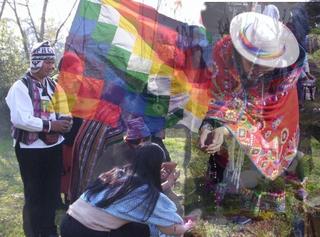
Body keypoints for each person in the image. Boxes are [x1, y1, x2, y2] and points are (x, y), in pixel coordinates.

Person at [199, 11, 305, 187]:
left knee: (271, 147)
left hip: (276, 110)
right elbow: (221, 94)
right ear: (241, 52)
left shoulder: (288, 71)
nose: (255, 72)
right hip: (240, 111)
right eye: (253, 64)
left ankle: (267, 183)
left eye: (266, 68)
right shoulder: (224, 51)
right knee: (224, 146)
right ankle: (227, 182)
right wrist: (208, 125)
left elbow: (257, 109)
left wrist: (226, 130)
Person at [5, 41, 72, 237]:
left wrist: (66, 120)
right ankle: (35, 232)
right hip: (30, 150)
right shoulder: (20, 87)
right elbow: (21, 119)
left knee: (51, 192)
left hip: (53, 147)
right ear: (36, 62)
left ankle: (49, 231)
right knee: (35, 194)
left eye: (52, 62)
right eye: (48, 62)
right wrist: (51, 126)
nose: (52, 66)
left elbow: (64, 109)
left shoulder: (53, 85)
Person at [60, 143, 194, 237]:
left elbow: (129, 197)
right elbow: (171, 228)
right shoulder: (145, 193)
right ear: (156, 167)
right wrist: (187, 226)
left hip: (67, 223)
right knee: (144, 230)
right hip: (87, 232)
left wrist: (167, 184)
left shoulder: (118, 174)